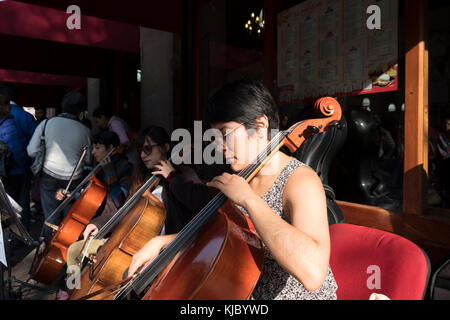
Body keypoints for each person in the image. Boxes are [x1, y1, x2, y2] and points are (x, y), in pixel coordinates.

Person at [127, 80, 338, 300]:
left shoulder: (299, 180)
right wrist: (162, 242)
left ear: (260, 126)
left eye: (225, 134)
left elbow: (313, 272)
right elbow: (221, 237)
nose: (219, 146)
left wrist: (248, 199)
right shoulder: (240, 177)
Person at [66, 125, 211, 270]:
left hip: (162, 249)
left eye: (148, 149)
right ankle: (74, 288)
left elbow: (201, 203)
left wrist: (172, 177)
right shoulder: (142, 176)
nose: (142, 155)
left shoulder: (183, 174)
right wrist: (99, 223)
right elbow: (126, 210)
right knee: (75, 250)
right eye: (140, 150)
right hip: (132, 242)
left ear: (165, 147)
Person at [60, 131, 133, 268]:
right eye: (93, 148)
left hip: (110, 226)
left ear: (110, 148)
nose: (93, 152)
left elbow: (120, 201)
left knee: (74, 252)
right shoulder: (99, 168)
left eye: (97, 148)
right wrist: (70, 195)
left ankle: (73, 285)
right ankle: (71, 285)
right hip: (95, 221)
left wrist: (110, 172)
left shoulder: (125, 167)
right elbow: (90, 196)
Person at [27, 91, 91, 243]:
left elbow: (31, 151)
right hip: (74, 178)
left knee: (51, 217)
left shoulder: (47, 123)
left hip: (49, 175)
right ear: (80, 110)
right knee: (70, 218)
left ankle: (50, 254)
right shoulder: (85, 130)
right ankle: (67, 250)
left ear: (62, 106)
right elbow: (88, 159)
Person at [0, 86, 31, 228]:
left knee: (9, 204)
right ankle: (21, 232)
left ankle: (13, 233)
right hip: (22, 166)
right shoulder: (24, 117)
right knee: (22, 201)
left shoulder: (7, 123)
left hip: (8, 171)